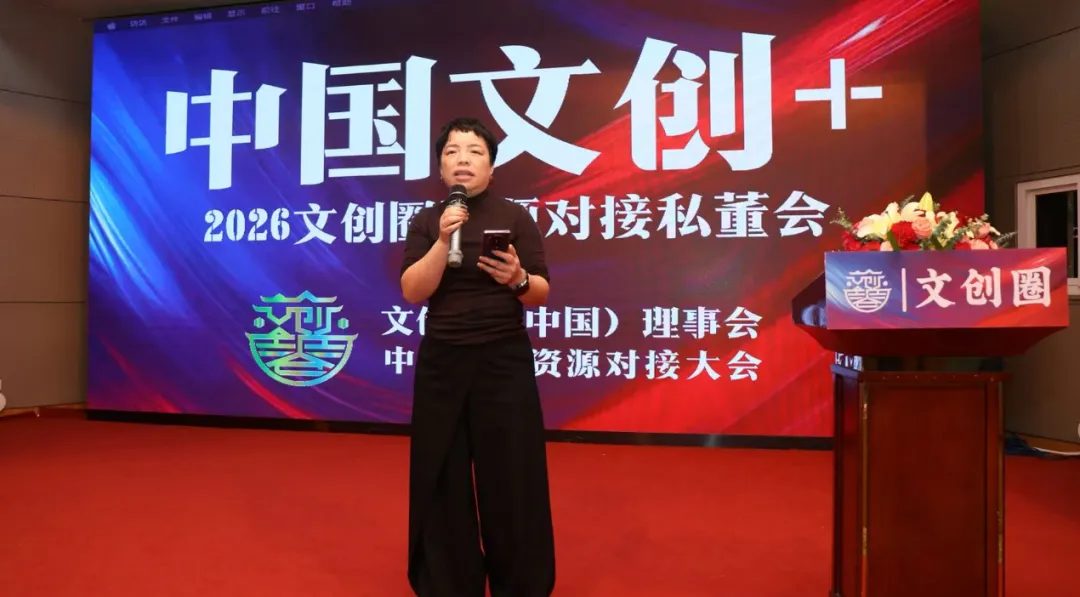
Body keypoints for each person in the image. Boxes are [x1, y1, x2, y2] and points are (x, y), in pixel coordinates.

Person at [399, 117, 556, 597]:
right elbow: (412, 290)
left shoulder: (516, 217)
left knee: (511, 475)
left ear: (491, 167)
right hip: (443, 363)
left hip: (503, 362)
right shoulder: (427, 221)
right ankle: (450, 583)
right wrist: (442, 240)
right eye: (452, 152)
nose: (462, 159)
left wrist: (517, 278)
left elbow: (540, 293)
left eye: (474, 151)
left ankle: (520, 584)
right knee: (441, 474)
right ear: (440, 169)